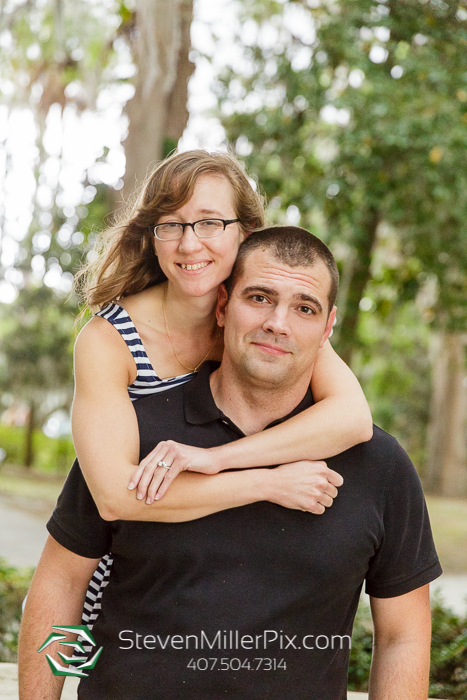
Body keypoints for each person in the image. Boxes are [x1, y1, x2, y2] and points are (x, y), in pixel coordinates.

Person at [19, 227, 442, 700]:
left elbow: (403, 634)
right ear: (222, 306)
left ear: (327, 329)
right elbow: (60, 582)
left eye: (305, 308)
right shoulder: (134, 436)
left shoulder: (378, 465)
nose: (278, 323)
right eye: (260, 297)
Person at [70, 149, 372, 627]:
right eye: (171, 224)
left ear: (245, 233)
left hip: (232, 564)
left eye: (210, 222)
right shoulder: (109, 340)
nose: (190, 245)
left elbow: (352, 419)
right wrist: (269, 482)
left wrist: (216, 459)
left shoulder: (264, 321)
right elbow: (113, 497)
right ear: (152, 236)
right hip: (134, 583)